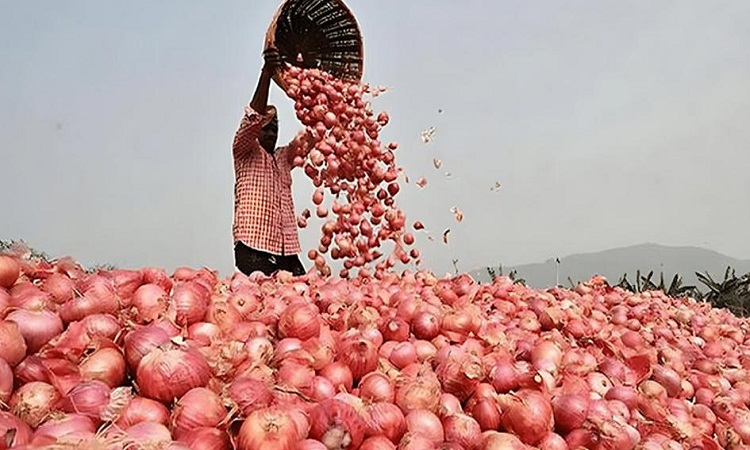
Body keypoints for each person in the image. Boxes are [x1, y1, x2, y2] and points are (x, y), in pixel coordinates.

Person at [232, 48, 306, 277]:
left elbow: (310, 138)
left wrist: (318, 102)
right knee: (265, 303)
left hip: (287, 249)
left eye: (276, 126)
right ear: (257, 131)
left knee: (303, 300)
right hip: (254, 245)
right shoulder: (244, 150)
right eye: (268, 127)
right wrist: (266, 74)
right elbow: (252, 116)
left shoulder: (284, 158)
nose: (273, 130)